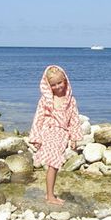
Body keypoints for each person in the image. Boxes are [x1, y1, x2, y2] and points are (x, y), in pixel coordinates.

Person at [29, 65, 83, 205]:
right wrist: (36, 137)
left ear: (65, 80)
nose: (58, 87)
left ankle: (50, 193)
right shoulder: (46, 100)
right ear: (48, 85)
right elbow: (38, 117)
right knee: (53, 163)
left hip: (62, 135)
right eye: (53, 85)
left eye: (60, 83)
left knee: (56, 164)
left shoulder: (70, 100)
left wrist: (74, 137)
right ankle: (50, 196)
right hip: (49, 131)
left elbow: (74, 119)